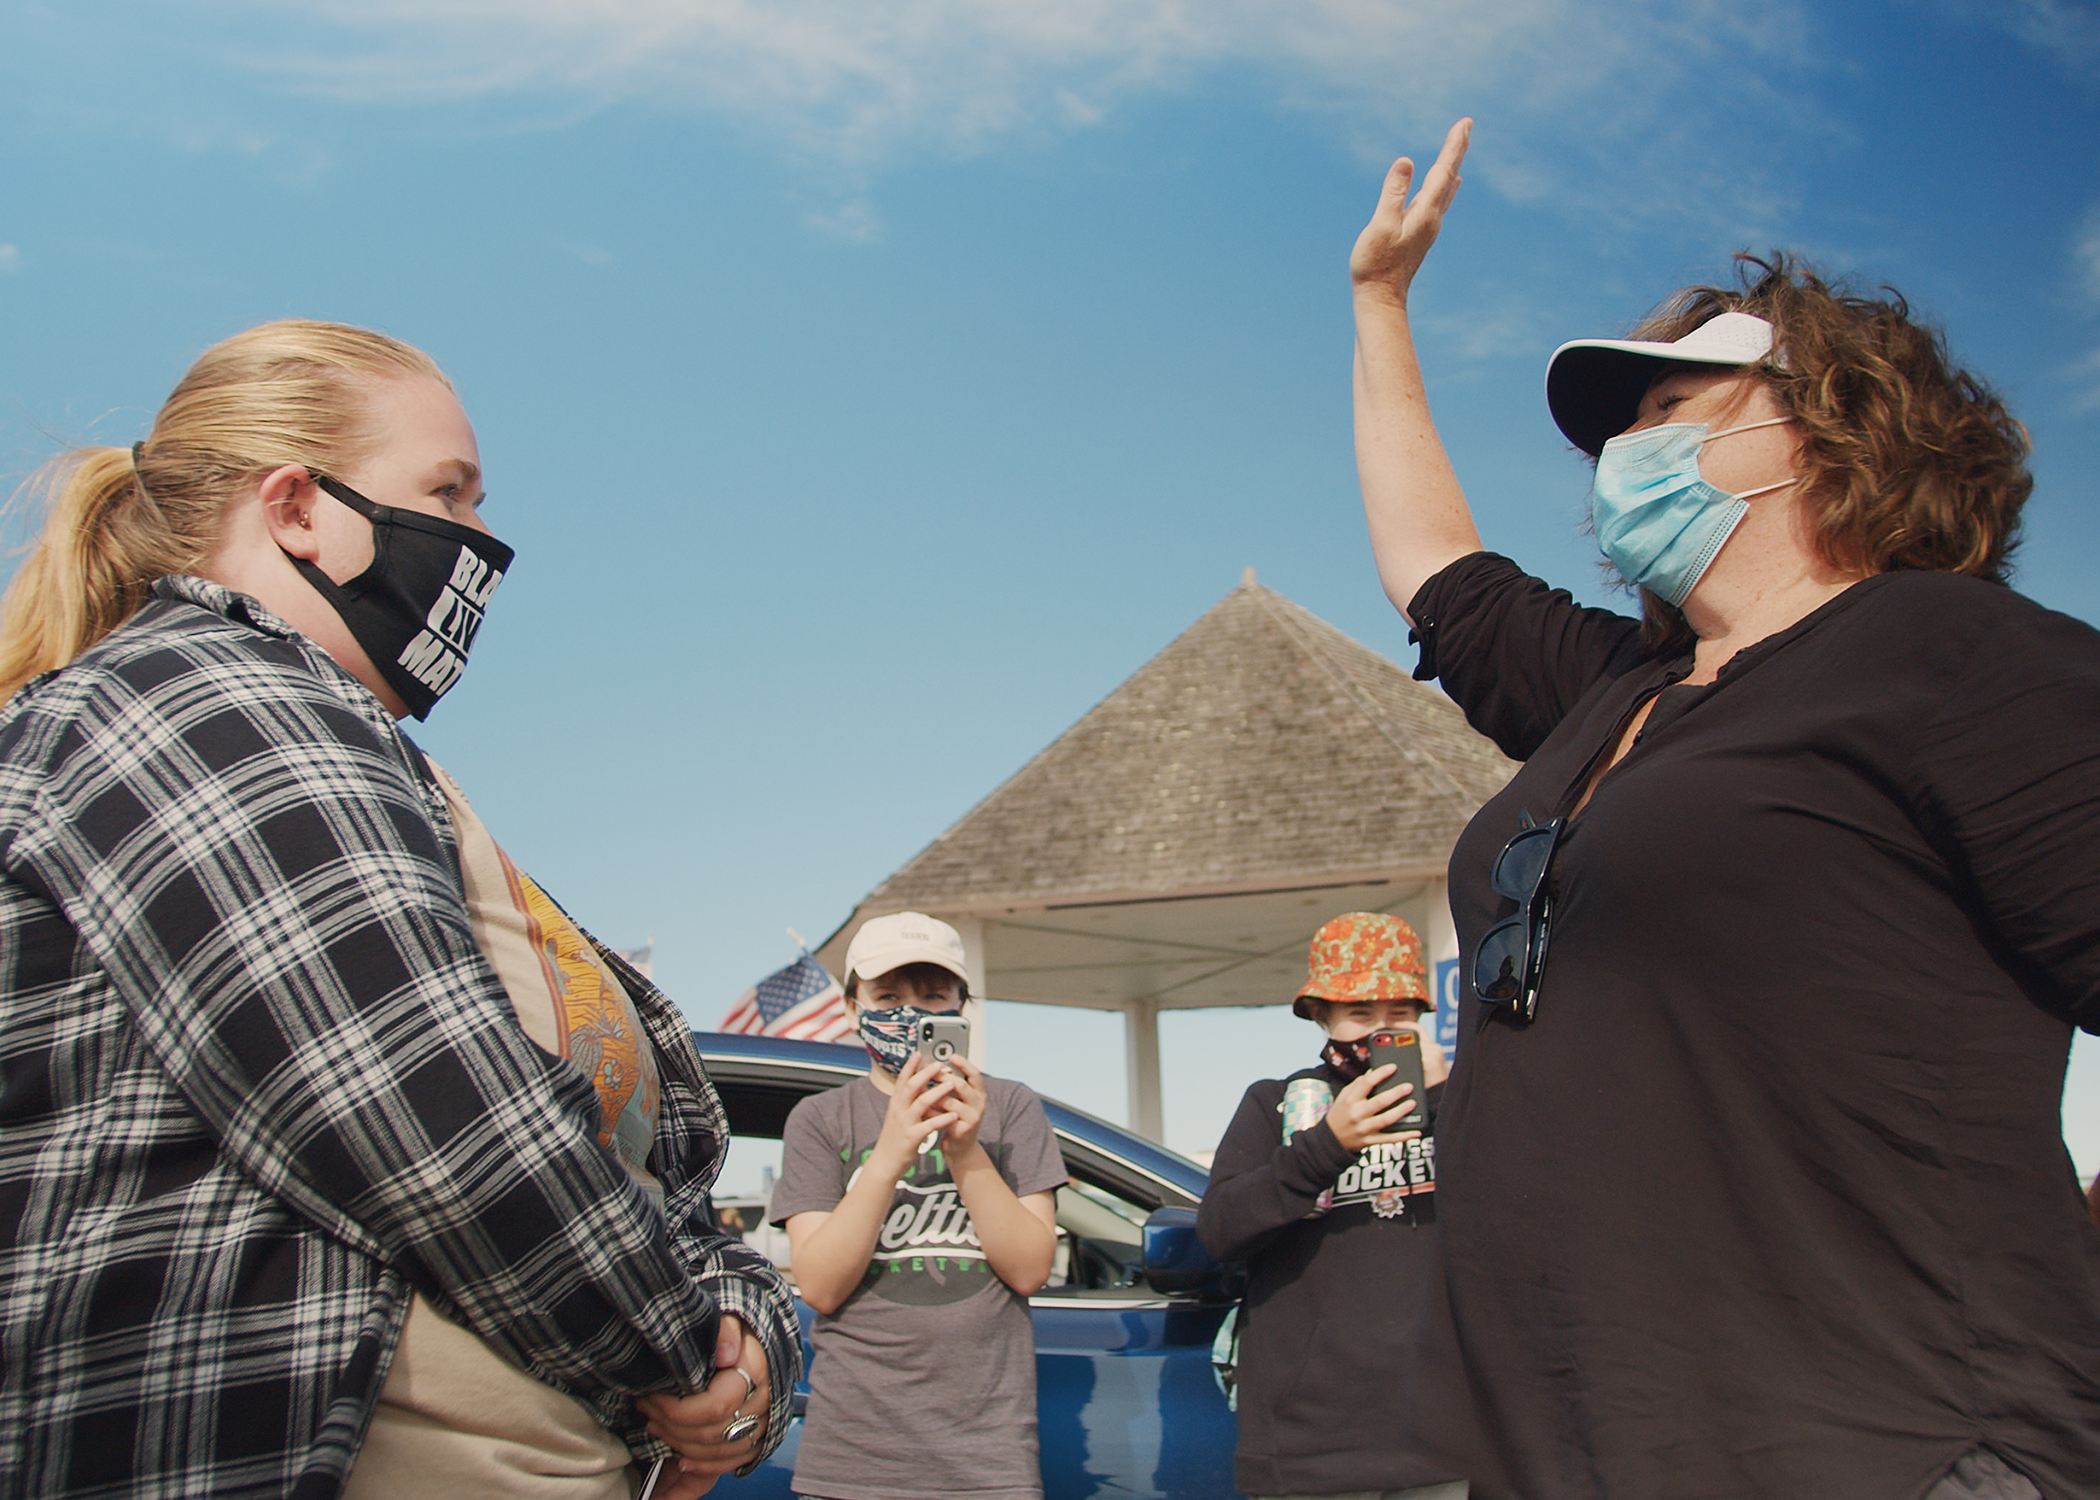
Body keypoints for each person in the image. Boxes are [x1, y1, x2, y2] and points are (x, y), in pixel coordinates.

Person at [1348, 120, 2100, 1500]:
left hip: (1876, 1448)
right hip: (1562, 1452)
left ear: (1822, 428)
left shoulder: (1957, 656)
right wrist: (1380, 306)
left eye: (1667, 410)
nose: (1623, 450)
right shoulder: (1611, 694)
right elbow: (1435, 571)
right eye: (1620, 427)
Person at [0, 320, 796, 1499]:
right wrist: (686, 1365)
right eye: (450, 493)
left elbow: (660, 1170)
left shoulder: (373, 767)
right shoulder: (199, 704)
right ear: (297, 508)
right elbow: (434, 1120)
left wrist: (750, 1343)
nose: (481, 541)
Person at [769, 911, 1066, 1500]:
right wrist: (888, 1156)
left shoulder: (1011, 1107)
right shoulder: (821, 1120)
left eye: (934, 995)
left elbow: (1031, 1269)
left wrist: (964, 1150)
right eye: (887, 995)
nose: (912, 1013)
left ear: (961, 1007)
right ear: (853, 1009)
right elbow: (821, 1286)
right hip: (854, 1461)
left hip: (989, 1460)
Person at [1197, 912, 1464, 1500]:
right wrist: (1326, 1146)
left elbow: (1516, 1215)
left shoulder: (1468, 1102)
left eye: (1398, 1012)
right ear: (1322, 1017)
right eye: (1360, 1014)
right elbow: (1219, 1232)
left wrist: (1449, 1104)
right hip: (1308, 1447)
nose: (1380, 1030)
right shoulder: (1276, 1104)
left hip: (1447, 1437)